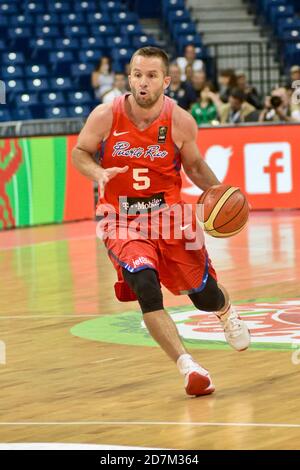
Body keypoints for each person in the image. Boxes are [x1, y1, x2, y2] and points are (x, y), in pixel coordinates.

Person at [72, 47, 250, 397]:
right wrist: (98, 172)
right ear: (130, 76)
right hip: (120, 218)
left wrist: (221, 194)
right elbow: (80, 151)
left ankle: (226, 312)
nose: (143, 81)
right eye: (137, 74)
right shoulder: (105, 115)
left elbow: (195, 166)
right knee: (145, 285)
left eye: (152, 75)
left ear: (166, 81)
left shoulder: (180, 120)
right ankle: (188, 367)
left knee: (204, 296)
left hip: (170, 217)